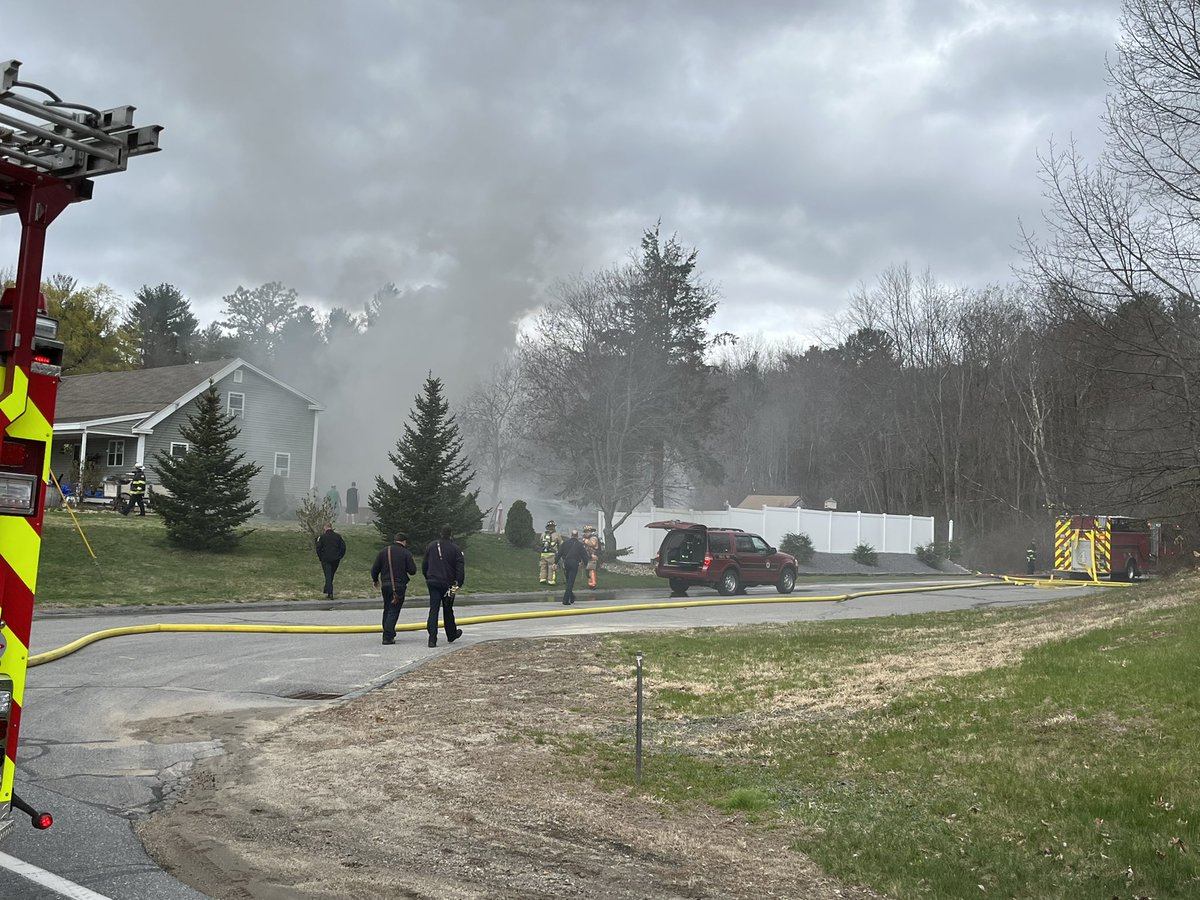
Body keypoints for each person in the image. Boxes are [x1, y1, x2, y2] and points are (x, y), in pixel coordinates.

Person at [423, 525, 466, 648]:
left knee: (434, 609)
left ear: (440, 533)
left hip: (433, 581)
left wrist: (428, 577)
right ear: (451, 534)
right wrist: (459, 583)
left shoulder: (431, 546)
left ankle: (432, 638)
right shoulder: (455, 549)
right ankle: (451, 634)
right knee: (448, 609)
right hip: (449, 584)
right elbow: (460, 569)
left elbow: (424, 564)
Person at [371, 532, 416, 645]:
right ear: (404, 541)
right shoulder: (406, 553)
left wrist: (375, 580)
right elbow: (412, 571)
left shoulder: (383, 551)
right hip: (398, 585)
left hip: (385, 584)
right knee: (394, 610)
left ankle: (387, 631)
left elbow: (375, 569)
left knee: (387, 608)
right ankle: (388, 635)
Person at [556, 528, 590, 606]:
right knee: (570, 582)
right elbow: (585, 556)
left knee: (568, 581)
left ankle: (572, 597)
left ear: (571, 535)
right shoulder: (580, 545)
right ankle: (565, 600)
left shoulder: (565, 543)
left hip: (566, 563)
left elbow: (559, 553)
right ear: (577, 536)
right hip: (574, 563)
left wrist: (555, 562)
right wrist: (585, 564)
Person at [315, 522, 347, 599]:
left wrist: (321, 557)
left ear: (325, 527)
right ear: (331, 527)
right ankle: (326, 589)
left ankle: (330, 593)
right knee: (331, 575)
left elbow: (318, 548)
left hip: (326, 559)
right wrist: (340, 556)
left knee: (328, 575)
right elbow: (343, 547)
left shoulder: (322, 537)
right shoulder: (338, 536)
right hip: (336, 559)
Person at [538, 520, 562, 585]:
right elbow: (561, 544)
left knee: (543, 566)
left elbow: (540, 542)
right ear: (554, 527)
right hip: (552, 554)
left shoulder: (543, 534)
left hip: (543, 553)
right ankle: (551, 580)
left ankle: (542, 579)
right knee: (551, 567)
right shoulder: (556, 535)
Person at [582, 524, 601, 588]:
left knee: (591, 570)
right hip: (589, 557)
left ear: (590, 531)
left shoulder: (593, 538)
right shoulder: (589, 538)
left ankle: (593, 583)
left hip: (593, 557)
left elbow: (592, 544)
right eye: (585, 532)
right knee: (588, 570)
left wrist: (585, 541)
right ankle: (590, 583)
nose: (585, 533)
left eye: (587, 532)